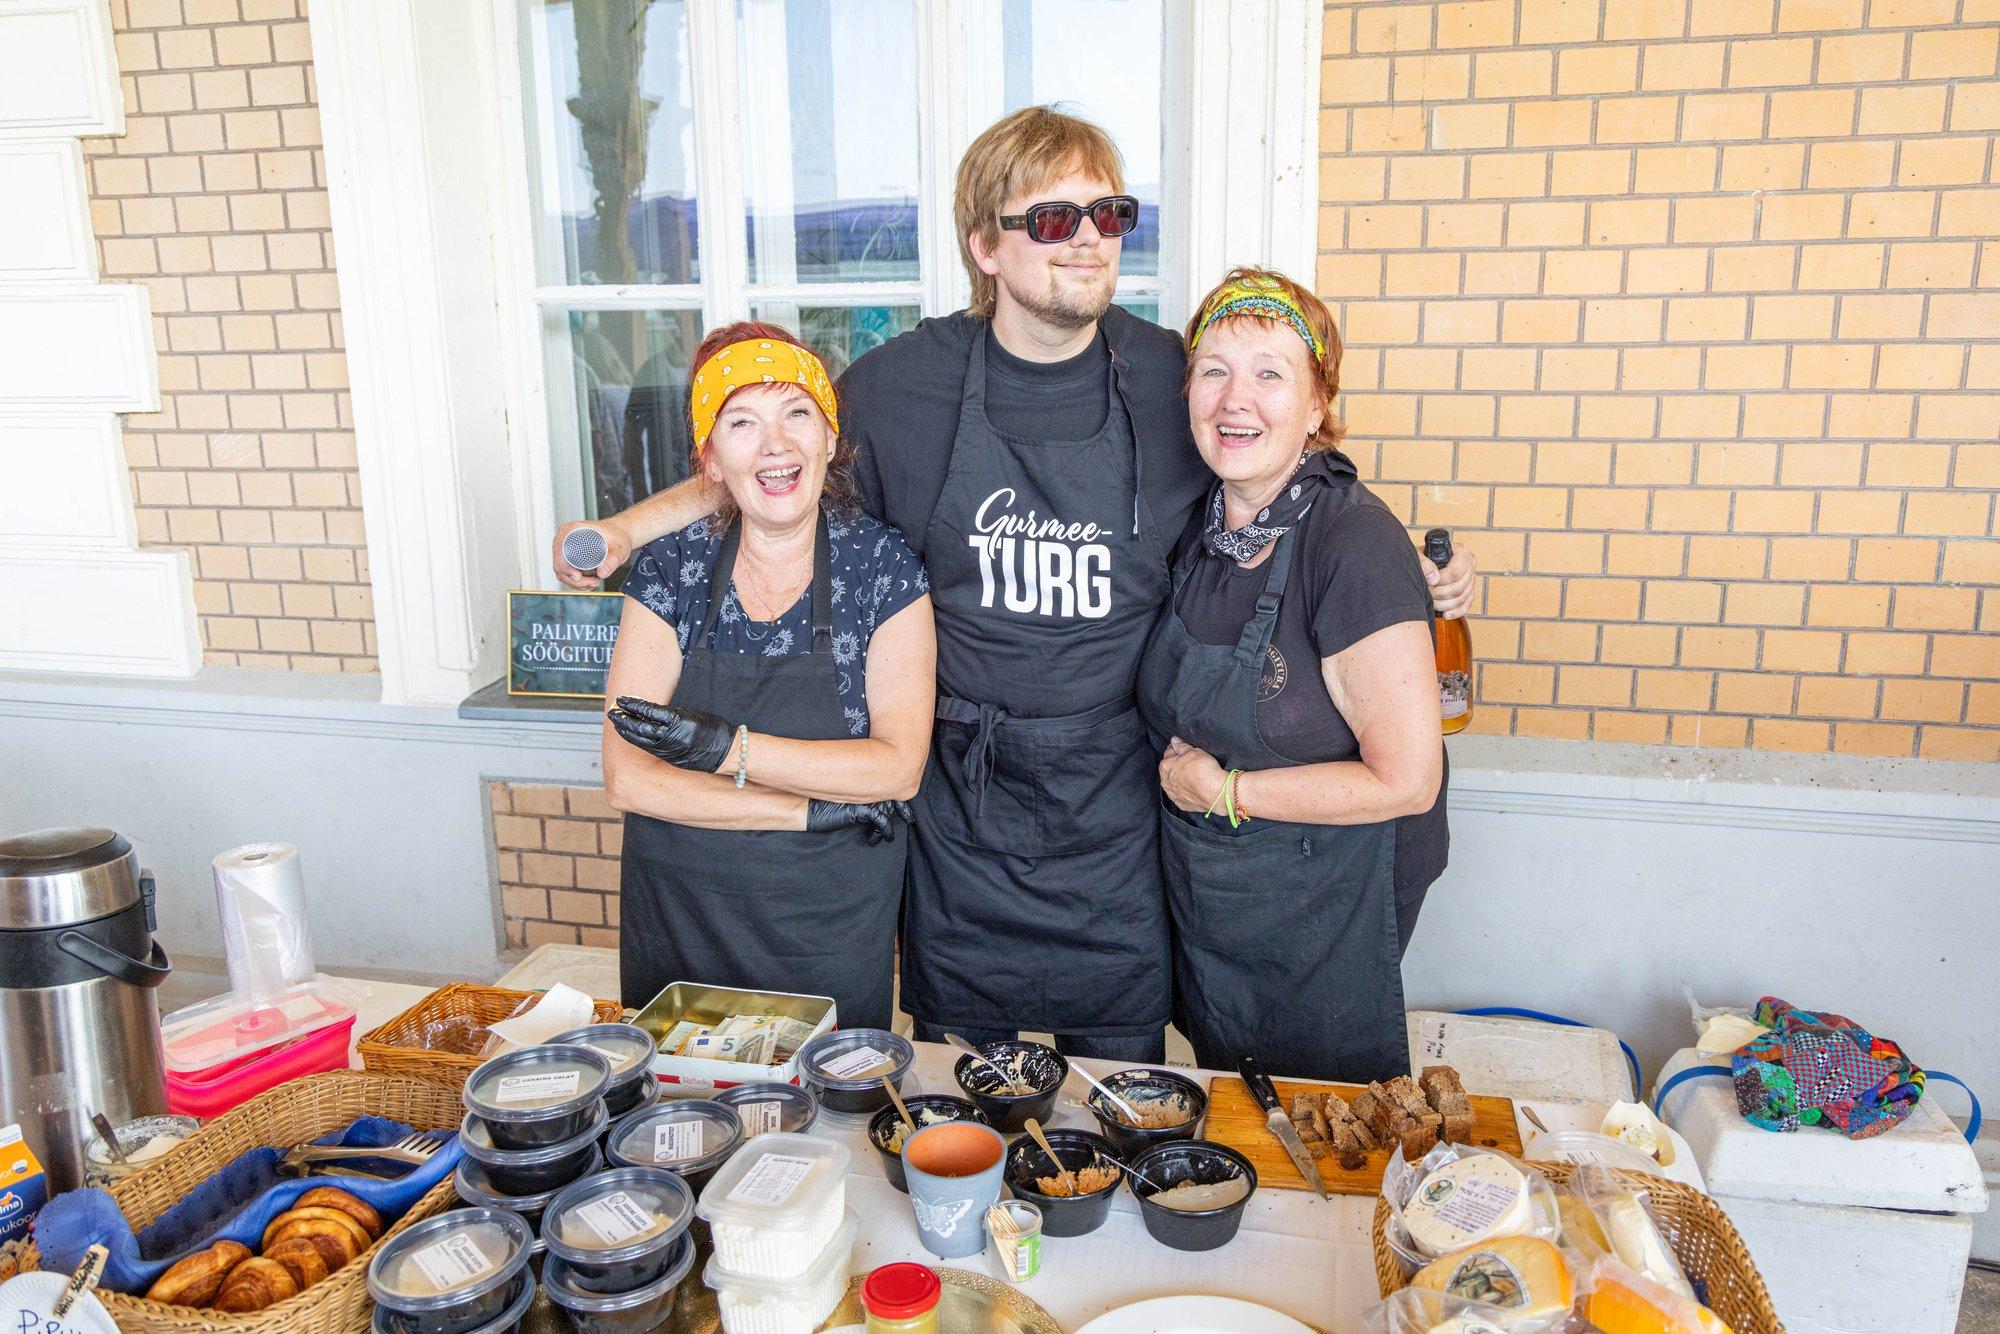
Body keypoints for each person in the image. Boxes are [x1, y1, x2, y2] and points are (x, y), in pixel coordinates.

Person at [559, 108, 1474, 1060]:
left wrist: (1403, 575)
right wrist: (623, 530)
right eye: (1049, 219)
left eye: (1107, 214)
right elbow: (768, 459)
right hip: (965, 809)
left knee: (1122, 1085)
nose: (1084, 239)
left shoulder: (1177, 380)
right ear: (983, 245)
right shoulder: (902, 387)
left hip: (1119, 806)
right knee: (964, 1078)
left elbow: (1289, 479)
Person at [1137, 269, 1447, 1082]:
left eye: (1270, 374)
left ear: (1316, 408)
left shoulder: (1354, 545)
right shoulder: (1197, 528)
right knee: (1241, 1106)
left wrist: (1226, 793)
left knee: (1322, 1126)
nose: (1235, 399)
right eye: (1215, 371)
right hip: (1223, 894)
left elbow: (1409, 780)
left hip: (1326, 903)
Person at [600, 321, 935, 1027]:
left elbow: (897, 769)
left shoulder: (883, 568)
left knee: (833, 1118)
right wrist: (805, 810)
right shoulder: (671, 570)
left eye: (796, 415)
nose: (775, 443)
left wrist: (727, 752)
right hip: (683, 920)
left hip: (828, 928)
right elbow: (629, 778)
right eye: (743, 422)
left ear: (828, 439)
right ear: (712, 459)